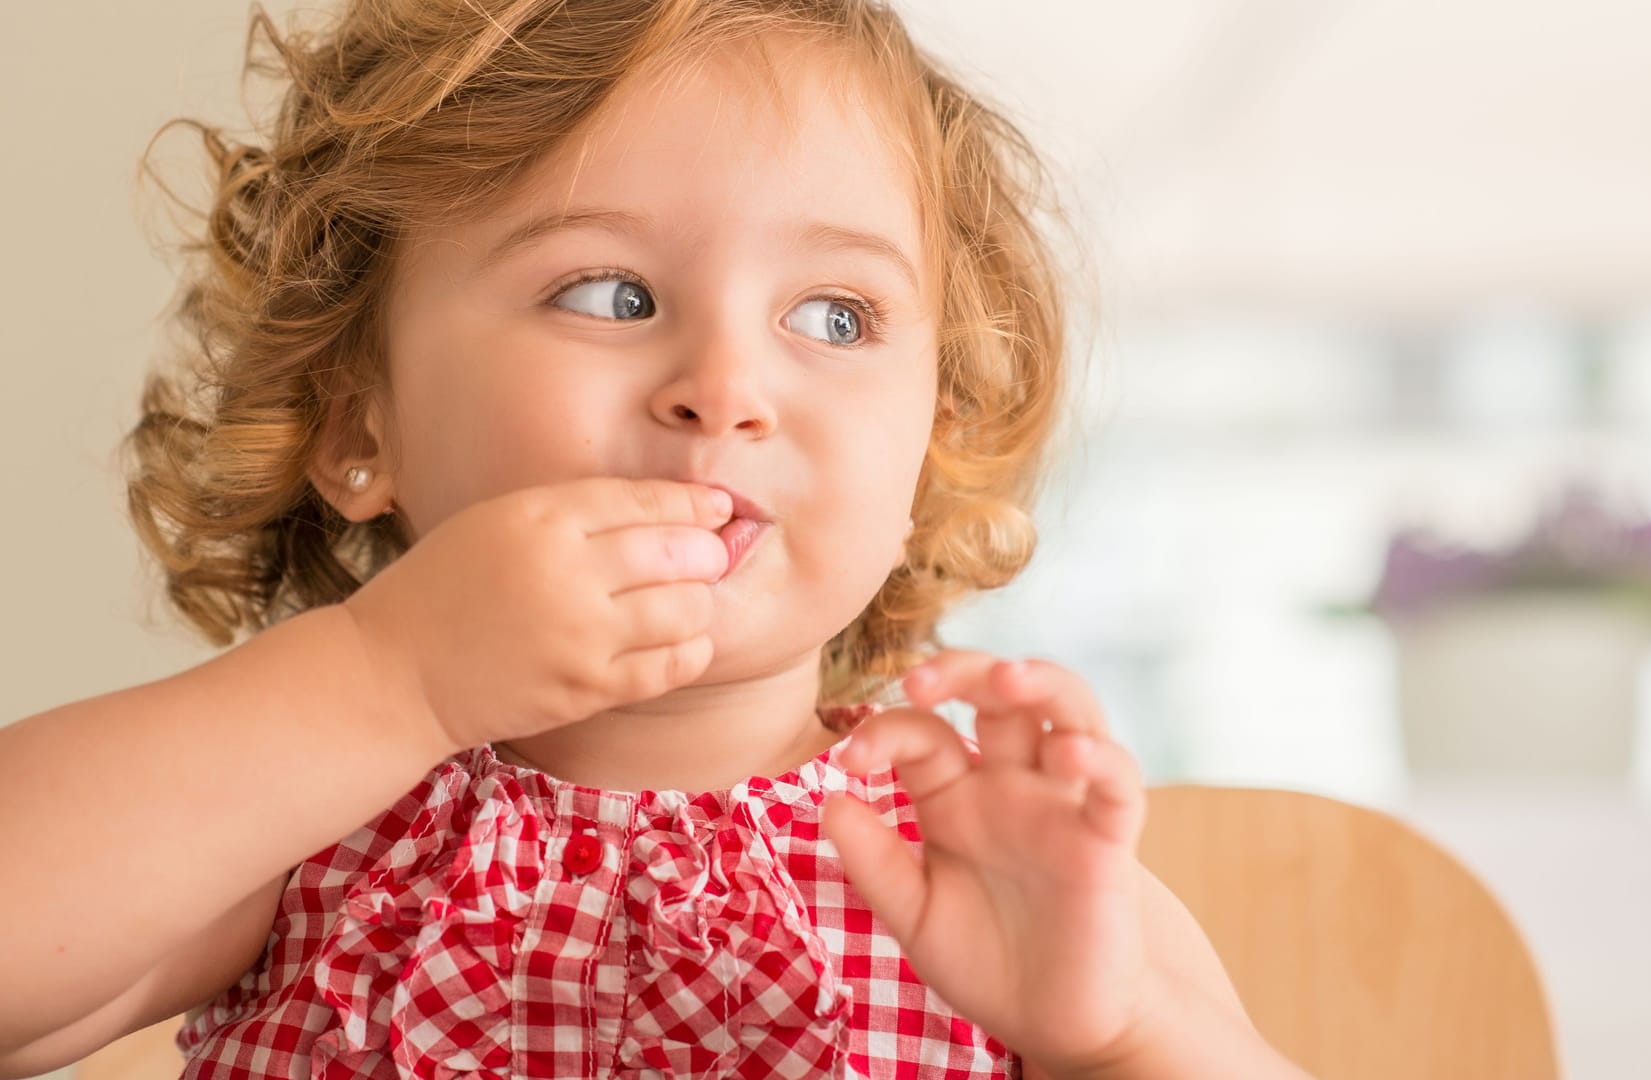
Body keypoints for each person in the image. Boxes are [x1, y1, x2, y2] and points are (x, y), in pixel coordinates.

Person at [0, 1, 1311, 1077]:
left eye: (837, 318)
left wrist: (1116, 1036)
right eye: (610, 294)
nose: (726, 386)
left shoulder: (992, 874)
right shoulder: (304, 822)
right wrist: (389, 678)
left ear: (928, 450)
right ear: (359, 428)